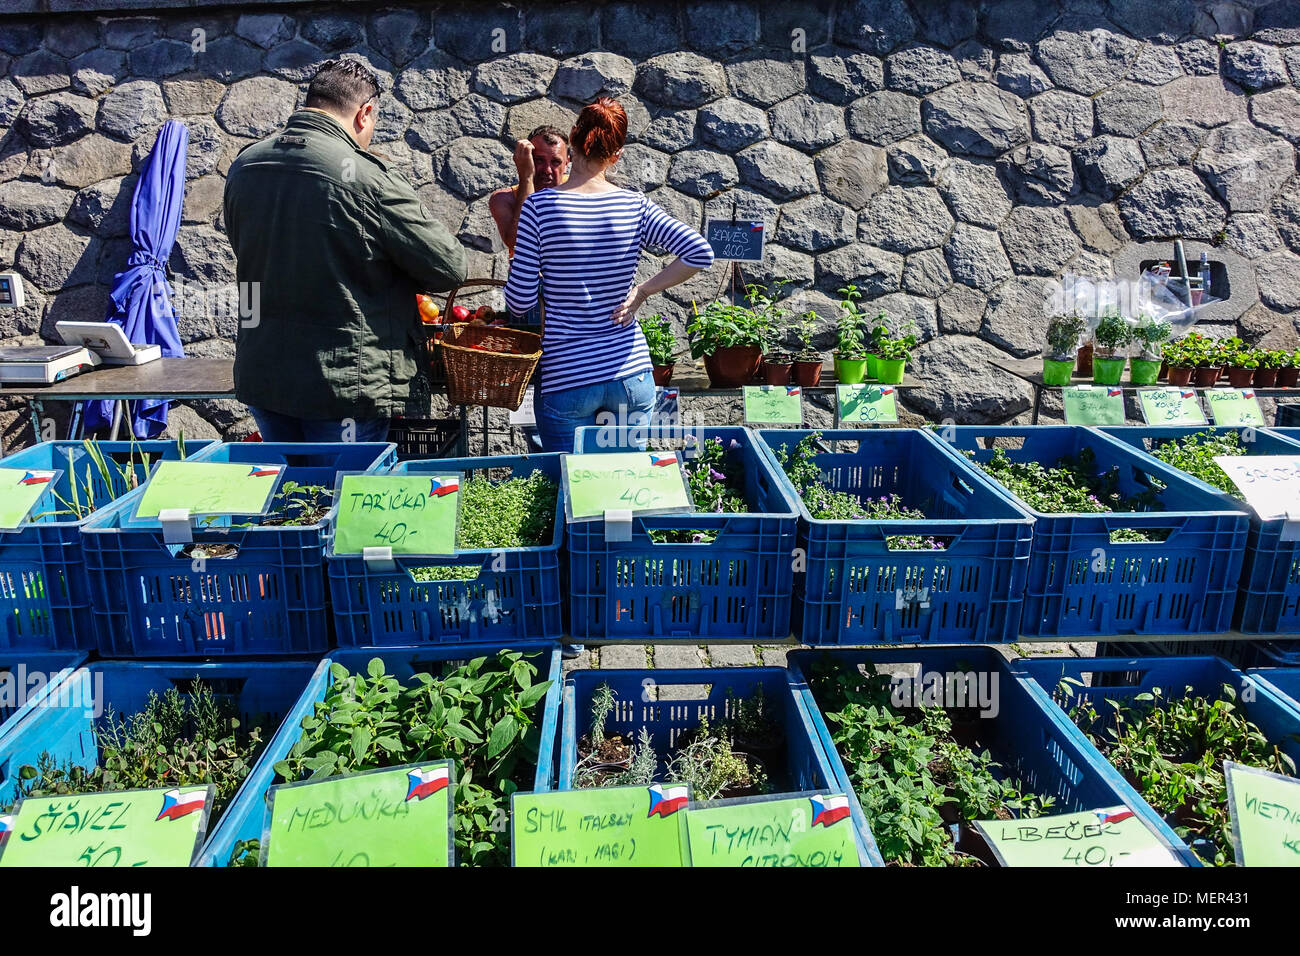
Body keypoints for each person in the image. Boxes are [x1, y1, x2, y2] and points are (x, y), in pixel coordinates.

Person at [224, 58, 467, 443]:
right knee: (344, 499)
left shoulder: (245, 166)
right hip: (343, 383)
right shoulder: (367, 177)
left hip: (264, 374)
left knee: (291, 498)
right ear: (365, 112)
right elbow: (449, 266)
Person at [503, 97, 714, 454]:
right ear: (616, 154)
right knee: (624, 486)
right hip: (630, 373)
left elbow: (520, 300)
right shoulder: (635, 205)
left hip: (567, 375)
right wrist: (643, 291)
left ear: (572, 139)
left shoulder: (540, 208)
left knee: (569, 489)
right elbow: (700, 253)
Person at [489, 126, 571, 452]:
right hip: (527, 303)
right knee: (534, 382)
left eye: (556, 162)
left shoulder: (579, 198)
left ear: (568, 163)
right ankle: (545, 461)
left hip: (567, 302)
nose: (548, 170)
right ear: (524, 161)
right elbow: (516, 240)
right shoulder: (505, 198)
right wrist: (527, 181)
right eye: (538, 161)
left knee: (568, 381)